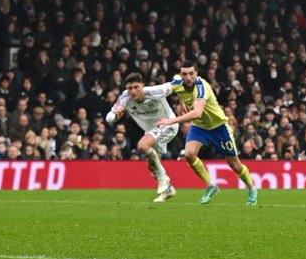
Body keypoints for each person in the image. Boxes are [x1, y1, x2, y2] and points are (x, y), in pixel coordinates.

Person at [154, 61, 258, 206]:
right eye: (185, 74)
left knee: (234, 164)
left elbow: (197, 112)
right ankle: (211, 185)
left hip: (219, 127)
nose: (188, 77)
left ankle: (252, 187)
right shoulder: (177, 81)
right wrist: (181, 102)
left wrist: (171, 121)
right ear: (180, 75)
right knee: (189, 154)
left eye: (191, 73)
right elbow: (177, 89)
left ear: (196, 73)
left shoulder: (202, 87)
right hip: (200, 127)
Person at [105, 72, 178, 202]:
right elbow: (109, 118)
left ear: (143, 85)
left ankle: (163, 179)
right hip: (153, 130)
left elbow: (178, 83)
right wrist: (116, 115)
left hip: (169, 124)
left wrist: (183, 100)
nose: (133, 91)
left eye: (136, 87)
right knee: (152, 166)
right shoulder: (125, 98)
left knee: (143, 145)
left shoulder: (156, 91)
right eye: (129, 88)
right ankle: (168, 190)